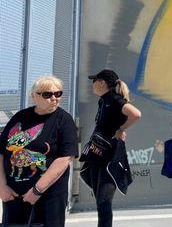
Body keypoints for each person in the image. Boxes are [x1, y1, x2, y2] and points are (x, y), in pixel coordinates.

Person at [0, 75, 78, 227]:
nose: (54, 98)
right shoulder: (19, 118)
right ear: (34, 96)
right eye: (47, 94)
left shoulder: (64, 120)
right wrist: (2, 186)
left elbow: (64, 159)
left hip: (48, 196)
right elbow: (1, 152)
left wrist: (36, 191)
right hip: (13, 195)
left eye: (58, 94)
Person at [82, 69, 141, 227]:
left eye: (94, 80)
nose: (92, 84)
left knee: (104, 200)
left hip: (111, 156)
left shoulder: (115, 100)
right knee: (99, 199)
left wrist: (121, 129)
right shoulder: (102, 100)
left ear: (102, 83)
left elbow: (136, 114)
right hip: (97, 154)